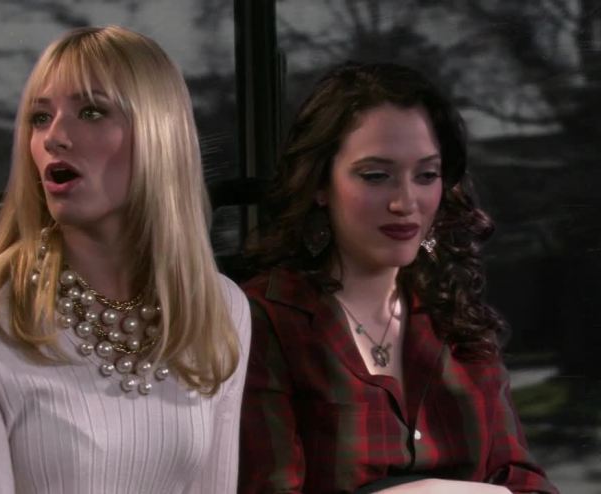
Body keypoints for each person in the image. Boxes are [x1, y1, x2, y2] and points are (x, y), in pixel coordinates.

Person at [0, 25, 250, 493]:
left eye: (91, 111)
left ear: (159, 135)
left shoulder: (220, 309)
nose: (54, 137)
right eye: (40, 118)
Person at [238, 62, 558, 493]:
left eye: (426, 175)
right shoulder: (265, 321)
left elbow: (524, 482)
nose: (405, 202)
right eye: (376, 176)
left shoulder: (453, 314)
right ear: (319, 184)